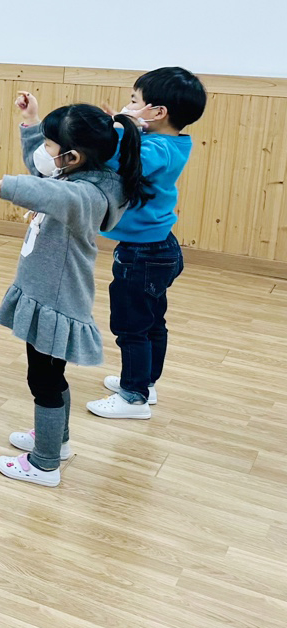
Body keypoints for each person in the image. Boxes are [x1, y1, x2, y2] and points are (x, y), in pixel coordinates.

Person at [0, 95, 144, 487]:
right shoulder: (81, 176)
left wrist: (3, 186)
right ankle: (55, 441)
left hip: (56, 301)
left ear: (73, 157)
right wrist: (32, 122)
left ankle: (44, 463)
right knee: (51, 378)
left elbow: (49, 192)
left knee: (44, 382)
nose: (45, 153)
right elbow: (43, 174)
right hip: (47, 294)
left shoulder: (85, 196)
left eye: (50, 145)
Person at [88, 67, 206, 420]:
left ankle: (133, 397)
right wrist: (126, 126)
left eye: (134, 101)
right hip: (158, 248)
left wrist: (119, 127)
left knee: (131, 327)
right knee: (152, 322)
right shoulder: (173, 143)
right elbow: (133, 149)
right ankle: (146, 383)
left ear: (157, 112)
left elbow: (118, 163)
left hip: (142, 254)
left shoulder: (156, 149)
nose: (128, 105)